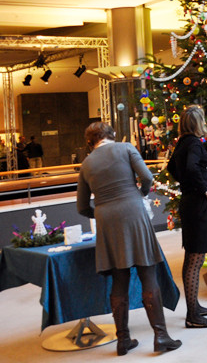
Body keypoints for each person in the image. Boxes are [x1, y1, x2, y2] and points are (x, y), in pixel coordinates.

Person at [76, 122, 182, 355]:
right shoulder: (126, 148)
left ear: (90, 142)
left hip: (106, 220)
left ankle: (123, 340)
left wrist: (101, 212)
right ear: (112, 135)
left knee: (119, 278)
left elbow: (82, 206)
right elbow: (147, 177)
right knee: (147, 273)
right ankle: (161, 336)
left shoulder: (86, 164)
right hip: (133, 212)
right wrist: (138, 195)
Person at [167, 106, 207, 329]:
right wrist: (203, 188)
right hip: (197, 204)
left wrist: (187, 185)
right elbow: (190, 168)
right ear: (198, 123)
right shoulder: (195, 144)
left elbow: (171, 167)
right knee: (196, 258)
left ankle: (194, 307)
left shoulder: (182, 143)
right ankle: (193, 316)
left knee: (192, 257)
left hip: (189, 202)